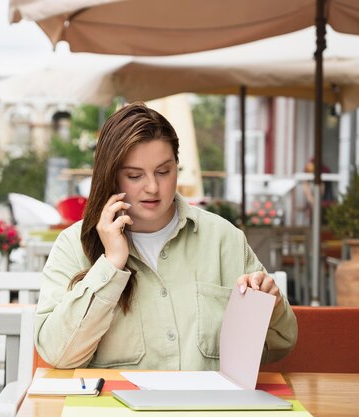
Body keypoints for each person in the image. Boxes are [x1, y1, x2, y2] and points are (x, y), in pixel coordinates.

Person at [35, 102, 297, 370]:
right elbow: (59, 355)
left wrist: (271, 305)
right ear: (111, 178)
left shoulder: (223, 239)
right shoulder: (72, 245)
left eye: (163, 171)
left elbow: (280, 345)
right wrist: (111, 265)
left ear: (177, 168)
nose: (152, 187)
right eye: (135, 175)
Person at [302, 158, 334, 224]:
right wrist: (311, 200)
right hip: (314, 200)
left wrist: (314, 200)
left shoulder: (323, 172)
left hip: (322, 200)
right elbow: (306, 189)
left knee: (321, 217)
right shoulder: (308, 177)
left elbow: (322, 190)